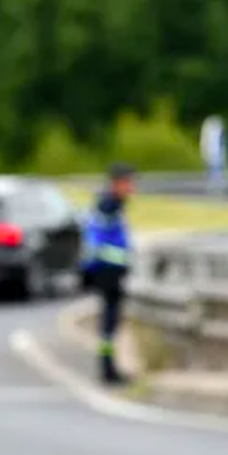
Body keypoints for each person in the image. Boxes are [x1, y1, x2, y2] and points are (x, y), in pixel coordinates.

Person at [81, 162, 137, 386]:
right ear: (118, 183)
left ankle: (109, 366)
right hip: (108, 272)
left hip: (110, 270)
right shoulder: (108, 207)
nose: (132, 188)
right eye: (128, 183)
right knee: (109, 322)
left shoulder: (113, 204)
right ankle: (107, 368)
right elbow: (99, 242)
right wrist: (120, 259)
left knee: (111, 322)